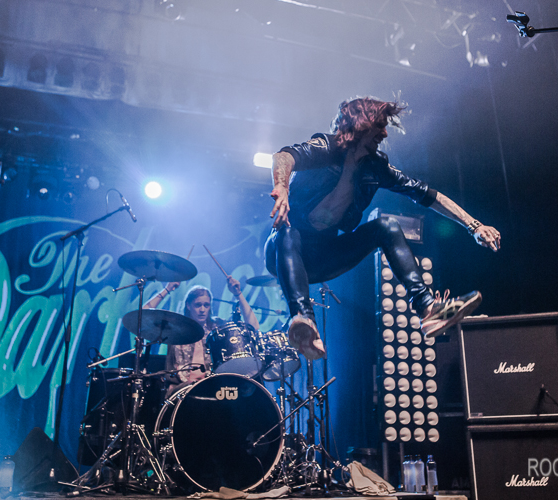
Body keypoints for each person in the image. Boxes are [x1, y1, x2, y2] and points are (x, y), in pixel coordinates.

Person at [265, 96, 501, 361]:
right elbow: (284, 156)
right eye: (379, 125)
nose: (385, 133)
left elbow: (425, 194)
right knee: (288, 232)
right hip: (284, 253)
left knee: (386, 226)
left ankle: (427, 309)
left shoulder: (376, 167)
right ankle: (304, 322)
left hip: (324, 257)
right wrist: (282, 186)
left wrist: (473, 225)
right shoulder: (326, 148)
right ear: (360, 123)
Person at [143, 276, 259, 393]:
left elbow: (253, 326)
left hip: (212, 387)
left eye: (206, 305)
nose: (202, 309)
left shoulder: (217, 327)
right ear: (188, 305)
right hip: (180, 389)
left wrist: (238, 294)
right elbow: (142, 316)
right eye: (198, 305)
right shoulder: (176, 327)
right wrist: (167, 289)